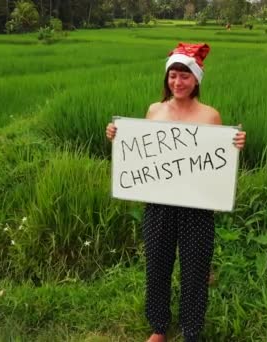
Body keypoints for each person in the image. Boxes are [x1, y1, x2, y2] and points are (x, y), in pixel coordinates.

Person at [105, 43, 246, 342]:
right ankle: (159, 327)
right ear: (167, 78)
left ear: (196, 80)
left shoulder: (210, 116)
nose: (178, 82)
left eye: (185, 76)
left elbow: (215, 158)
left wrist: (234, 145)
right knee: (157, 266)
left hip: (197, 207)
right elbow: (142, 150)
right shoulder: (154, 111)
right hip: (158, 204)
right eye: (173, 76)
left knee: (195, 271)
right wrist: (118, 136)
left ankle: (191, 330)